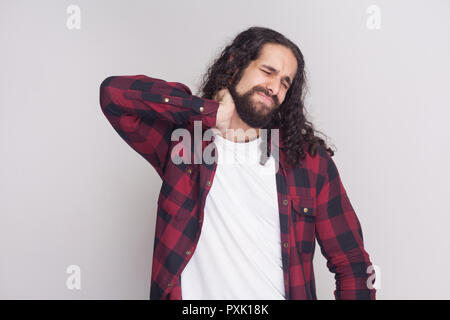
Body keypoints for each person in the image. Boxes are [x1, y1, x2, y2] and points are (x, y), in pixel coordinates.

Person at [99, 26, 376, 300]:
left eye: (285, 83)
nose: (274, 87)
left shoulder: (308, 161)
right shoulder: (183, 144)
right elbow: (114, 95)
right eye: (268, 72)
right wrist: (209, 113)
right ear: (235, 64)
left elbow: (351, 262)